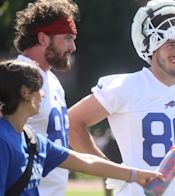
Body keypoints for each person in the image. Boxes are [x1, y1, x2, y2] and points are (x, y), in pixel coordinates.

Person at [68, 0, 175, 195]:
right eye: (170, 44)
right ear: (151, 45)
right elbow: (73, 122)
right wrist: (112, 171)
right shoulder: (125, 87)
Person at [0, 60, 162, 195]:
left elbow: (86, 162)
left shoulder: (31, 139)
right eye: (39, 88)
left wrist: (136, 175)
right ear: (25, 92)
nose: (43, 94)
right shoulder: (3, 140)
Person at [13, 0, 79, 196]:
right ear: (43, 38)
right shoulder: (16, 78)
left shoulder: (51, 79)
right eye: (67, 38)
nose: (73, 47)